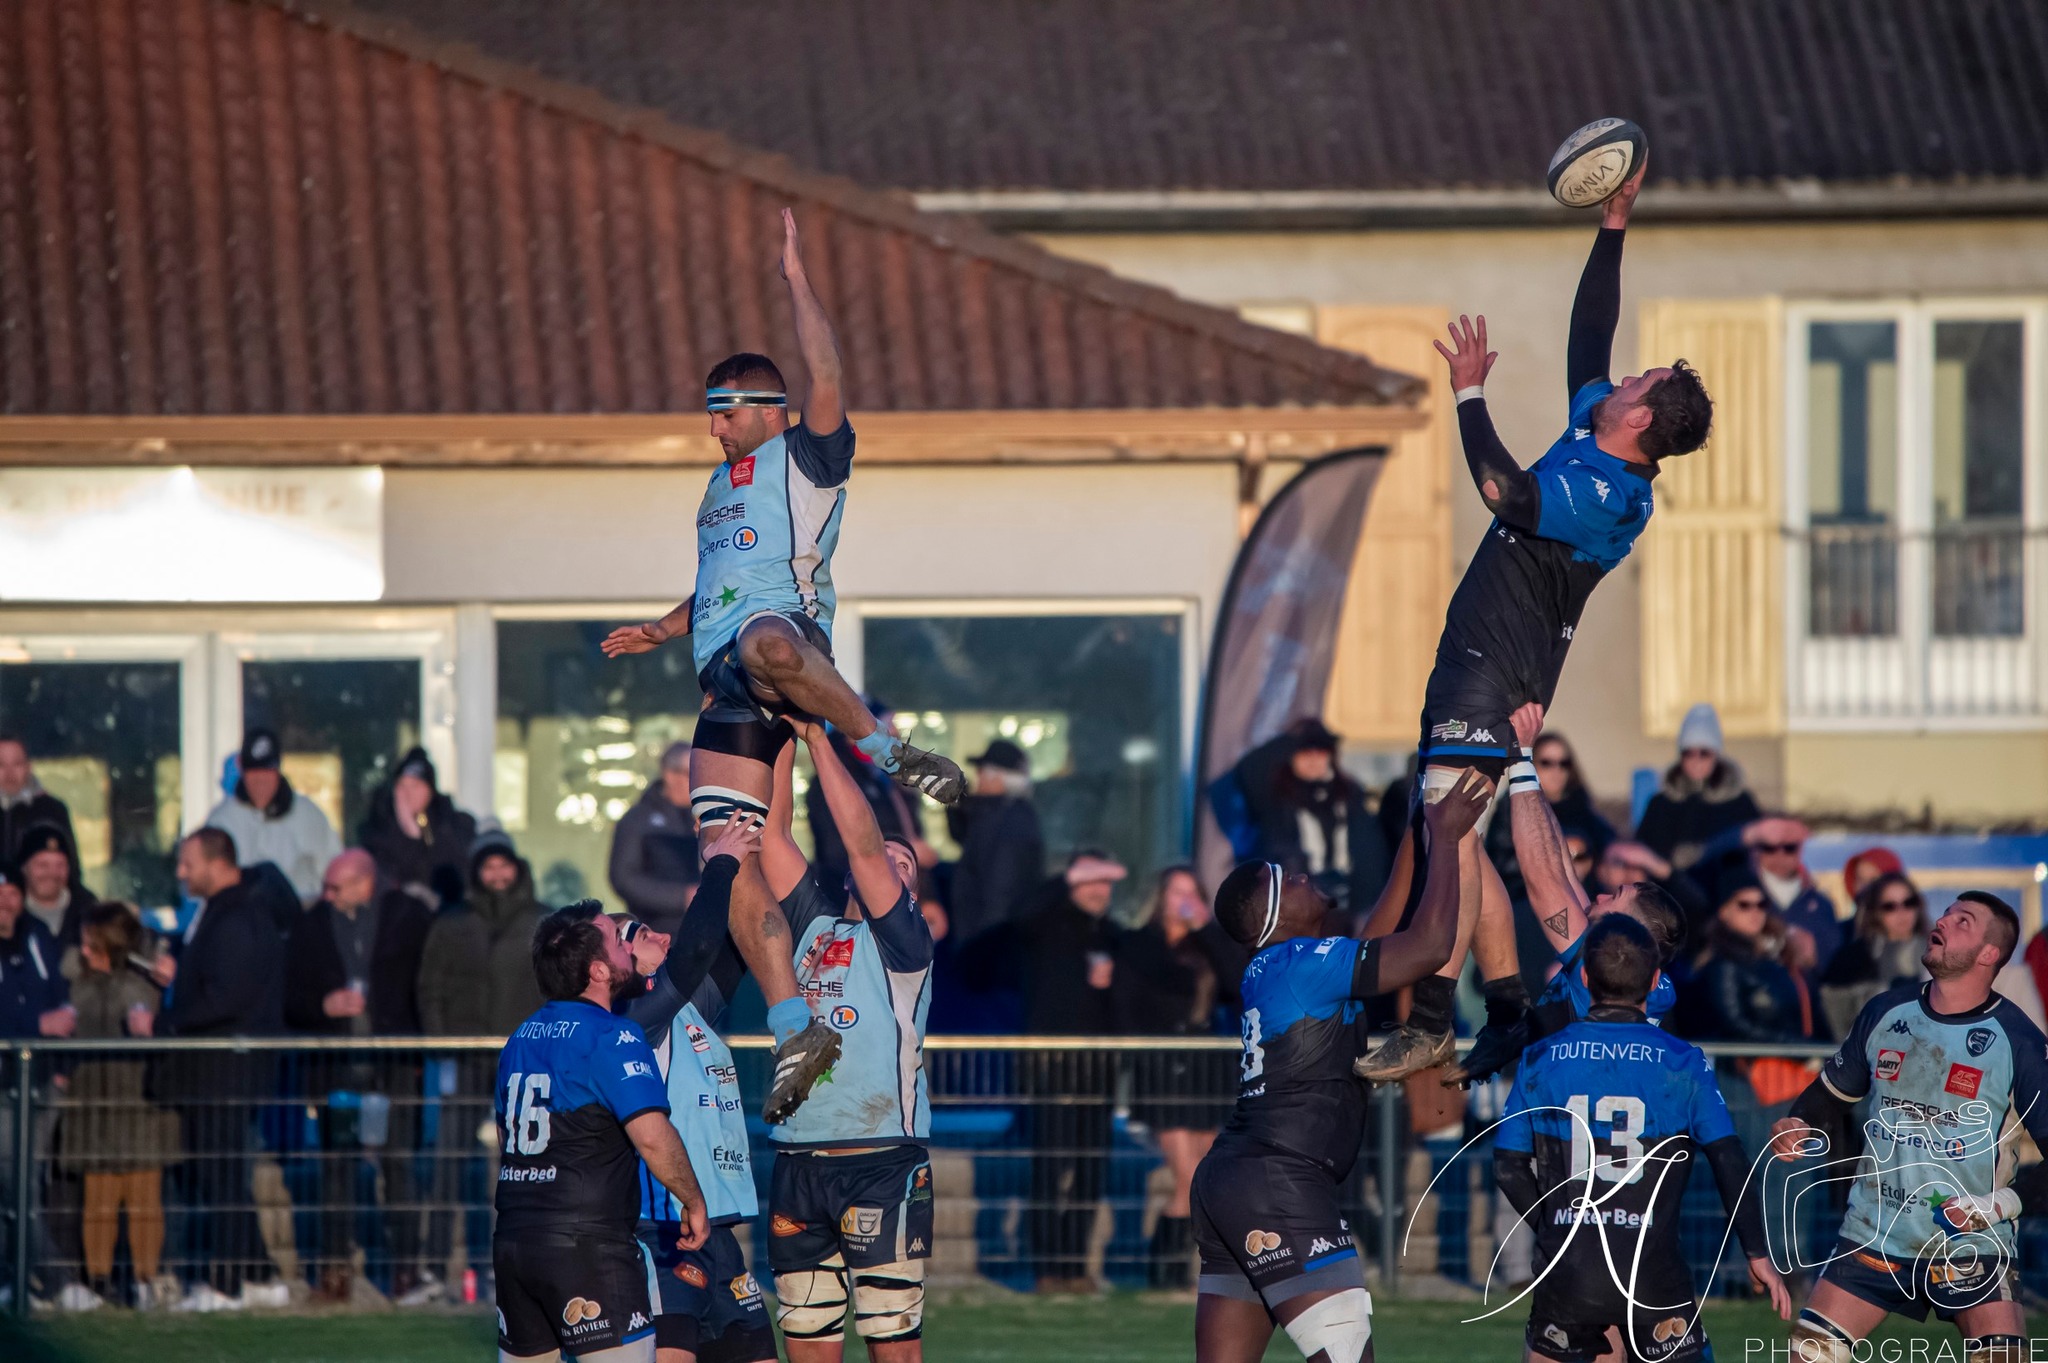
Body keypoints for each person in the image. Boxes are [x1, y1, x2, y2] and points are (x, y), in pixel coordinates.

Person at [600, 210, 961, 1126]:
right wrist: (662, 626)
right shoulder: (713, 492)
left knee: (768, 641)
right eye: (709, 413)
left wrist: (798, 281)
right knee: (732, 855)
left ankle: (885, 748)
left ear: (766, 410)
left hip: (782, 646)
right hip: (722, 673)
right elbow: (713, 585)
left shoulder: (805, 457)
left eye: (726, 412)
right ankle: (797, 1022)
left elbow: (828, 374)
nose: (715, 428)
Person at [1367, 158, 1714, 1084]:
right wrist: (1613, 228)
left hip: (1498, 663)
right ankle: (1508, 1002)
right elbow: (1587, 337)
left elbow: (1503, 492)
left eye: (1634, 381)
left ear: (1640, 420)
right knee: (1458, 833)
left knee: (1448, 828)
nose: (1620, 376)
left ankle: (1437, 1015)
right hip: (1486, 655)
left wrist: (1470, 394)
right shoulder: (1597, 432)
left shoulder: (1606, 492)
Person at [1188, 767, 1490, 1363]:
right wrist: (1451, 841)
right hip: (1282, 1181)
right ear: (1273, 918)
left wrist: (1419, 832)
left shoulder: (1286, 967)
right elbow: (1428, 948)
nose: (1303, 875)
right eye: (1287, 880)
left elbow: (1379, 933)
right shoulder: (1299, 963)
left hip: (1237, 1178)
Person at [1495, 914, 1790, 1363]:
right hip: (1653, 1275)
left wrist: (1555, 1229)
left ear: (1587, 978)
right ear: (1655, 981)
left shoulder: (1540, 1057)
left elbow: (1508, 1166)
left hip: (1569, 1277)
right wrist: (1757, 1252)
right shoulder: (1683, 1062)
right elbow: (1728, 1158)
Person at [1770, 892, 2046, 1362]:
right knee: (1806, 1356)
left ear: (1988, 954)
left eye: (1963, 921)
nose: (1942, 921)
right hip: (1872, 1233)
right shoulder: (1887, 1012)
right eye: (1946, 913)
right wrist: (1797, 1120)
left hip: (1972, 1246)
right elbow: (1827, 1096)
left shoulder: (2019, 1042)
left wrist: (1999, 1204)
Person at [755, 715, 936, 1361]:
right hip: (798, 1161)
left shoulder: (904, 942)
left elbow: (860, 844)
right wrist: (776, 730)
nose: (891, 859)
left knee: (892, 1342)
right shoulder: (813, 924)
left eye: (904, 860)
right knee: (806, 1339)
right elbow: (771, 834)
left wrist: (819, 740)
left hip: (879, 1160)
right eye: (884, 854)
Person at [492, 902, 708, 1363]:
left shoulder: (520, 1037)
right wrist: (694, 1200)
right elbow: (653, 1136)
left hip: (514, 1243)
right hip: (587, 1246)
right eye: (616, 938)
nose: (626, 946)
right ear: (598, 971)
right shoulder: (613, 1035)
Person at [1447, 704, 1686, 1086]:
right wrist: (1528, 772)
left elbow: (1542, 878)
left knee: (1469, 856)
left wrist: (1523, 759)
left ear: (1629, 926)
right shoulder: (1642, 967)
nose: (1603, 895)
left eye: (1616, 896)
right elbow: (1558, 864)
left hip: (1579, 1119)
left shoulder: (1610, 964)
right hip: (1597, 1104)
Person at [615, 814, 777, 1363]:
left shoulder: (689, 1009)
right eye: (638, 935)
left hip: (718, 1229)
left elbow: (732, 944)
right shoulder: (636, 1017)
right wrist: (719, 865)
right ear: (612, 965)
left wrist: (757, 852)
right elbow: (695, 946)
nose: (658, 933)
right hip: (662, 1229)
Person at [282, 849, 433, 1302]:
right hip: (337, 1071)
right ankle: (334, 1272)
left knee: (399, 1166)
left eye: (335, 887)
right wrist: (322, 1007)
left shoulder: (410, 918)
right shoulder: (310, 927)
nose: (325, 895)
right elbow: (288, 996)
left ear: (365, 883)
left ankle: (405, 1271)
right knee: (337, 1171)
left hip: (396, 1067)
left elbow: (427, 983)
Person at [154, 827, 288, 1312]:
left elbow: (227, 995)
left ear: (217, 861)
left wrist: (167, 1020)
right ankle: (260, 1275)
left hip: (225, 1068)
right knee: (223, 1172)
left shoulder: (238, 915)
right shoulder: (223, 912)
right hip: (217, 1066)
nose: (180, 872)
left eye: (188, 862)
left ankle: (227, 1283)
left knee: (222, 1172)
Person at [1112, 866, 1244, 1288]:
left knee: (1204, 1179)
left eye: (1192, 893)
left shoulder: (1206, 946)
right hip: (1162, 1069)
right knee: (1187, 1179)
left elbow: (1237, 984)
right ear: (1161, 898)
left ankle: (1183, 1272)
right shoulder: (1138, 945)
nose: (1184, 901)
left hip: (1204, 1068)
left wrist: (1205, 928)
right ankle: (1164, 1273)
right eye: (1176, 893)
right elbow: (1131, 1002)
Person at [61, 902, 178, 1310]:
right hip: (92, 1099)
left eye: (91, 938)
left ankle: (146, 1278)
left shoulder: (147, 982)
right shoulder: (73, 979)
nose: (83, 945)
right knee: (100, 1198)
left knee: (144, 1195)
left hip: (139, 1099)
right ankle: (99, 1278)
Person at [1018, 850, 1126, 1291]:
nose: (1100, 890)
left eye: (1105, 882)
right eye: (1089, 881)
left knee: (1089, 1169)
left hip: (1099, 1068)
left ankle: (1076, 1265)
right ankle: (1048, 1267)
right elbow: (1020, 916)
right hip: (1053, 1065)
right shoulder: (1047, 926)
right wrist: (1066, 878)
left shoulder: (1115, 935)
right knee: (1050, 1168)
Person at [0, 864, 74, 1306]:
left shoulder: (38, 939)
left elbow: (62, 1003)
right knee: (16, 1183)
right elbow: (37, 1015)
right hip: (3, 1084)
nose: (7, 901)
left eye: (12, 892)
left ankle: (17, 1281)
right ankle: (56, 1280)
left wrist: (62, 1065)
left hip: (44, 1081)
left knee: (28, 1182)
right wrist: (35, 1024)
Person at [1256, 720, 1390, 926]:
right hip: (1302, 902)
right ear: (1291, 755)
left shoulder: (1350, 794)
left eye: (1320, 751)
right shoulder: (1277, 797)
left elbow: (1369, 851)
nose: (1313, 759)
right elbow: (1277, 849)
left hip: (1354, 901)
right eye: (1304, 752)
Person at [203, 728, 341, 905]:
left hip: (300, 919)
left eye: (267, 773)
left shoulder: (309, 815)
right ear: (242, 770)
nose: (260, 783)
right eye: (253, 774)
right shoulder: (222, 820)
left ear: (278, 771)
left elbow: (333, 871)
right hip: (242, 919)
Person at [1631, 704, 1761, 876]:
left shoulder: (1739, 803)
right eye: (1688, 753)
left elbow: (1754, 853)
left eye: (1704, 753)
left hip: (1726, 894)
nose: (1696, 760)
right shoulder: (1661, 804)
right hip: (1672, 895)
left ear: (1716, 754)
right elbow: (1644, 853)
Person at [946, 739, 1046, 949]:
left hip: (991, 940)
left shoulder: (1012, 819)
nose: (978, 778)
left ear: (998, 778)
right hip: (987, 936)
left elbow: (1003, 886)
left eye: (982, 771)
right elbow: (967, 839)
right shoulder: (997, 814)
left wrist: (985, 944)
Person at [1818, 870, 1928, 1043]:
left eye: (1909, 903)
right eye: (1889, 906)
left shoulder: (1940, 953)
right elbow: (1836, 1022)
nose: (1901, 912)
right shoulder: (1852, 960)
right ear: (1875, 912)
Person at [357, 747, 476, 905]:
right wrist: (405, 827)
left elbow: (448, 866)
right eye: (402, 786)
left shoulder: (453, 823)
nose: (408, 794)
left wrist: (416, 831)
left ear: (430, 790)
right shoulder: (378, 827)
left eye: (415, 786)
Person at [608, 742, 702, 935]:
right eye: (692, 774)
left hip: (699, 931)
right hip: (655, 932)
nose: (699, 783)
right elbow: (623, 878)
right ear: (670, 775)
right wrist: (681, 897)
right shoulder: (637, 820)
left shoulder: (701, 820)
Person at [0, 735, 75, 871]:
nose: (9, 774)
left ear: (28, 767)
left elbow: (71, 871)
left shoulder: (53, 810)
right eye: (1, 764)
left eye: (17, 764)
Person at [17, 822, 93, 949]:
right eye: (42, 865)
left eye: (60, 865)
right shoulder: (8, 912)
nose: (52, 873)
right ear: (24, 868)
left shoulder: (90, 911)